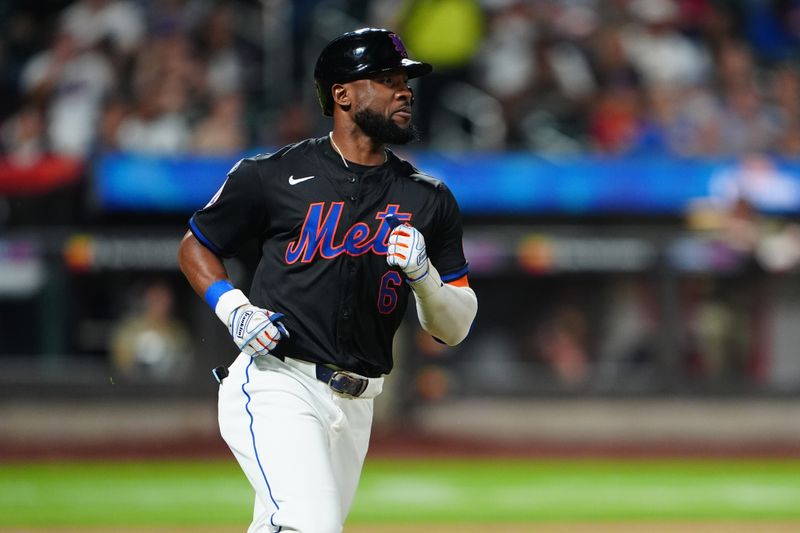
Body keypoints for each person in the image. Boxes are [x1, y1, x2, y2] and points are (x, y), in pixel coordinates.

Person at [177, 28, 478, 533]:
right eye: (386, 79)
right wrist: (234, 308)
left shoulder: (428, 198)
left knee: (286, 526)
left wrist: (425, 278)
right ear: (342, 94)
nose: (404, 91)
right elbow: (196, 245)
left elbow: (456, 326)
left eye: (405, 80)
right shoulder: (271, 174)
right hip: (278, 381)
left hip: (359, 402)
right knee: (310, 525)